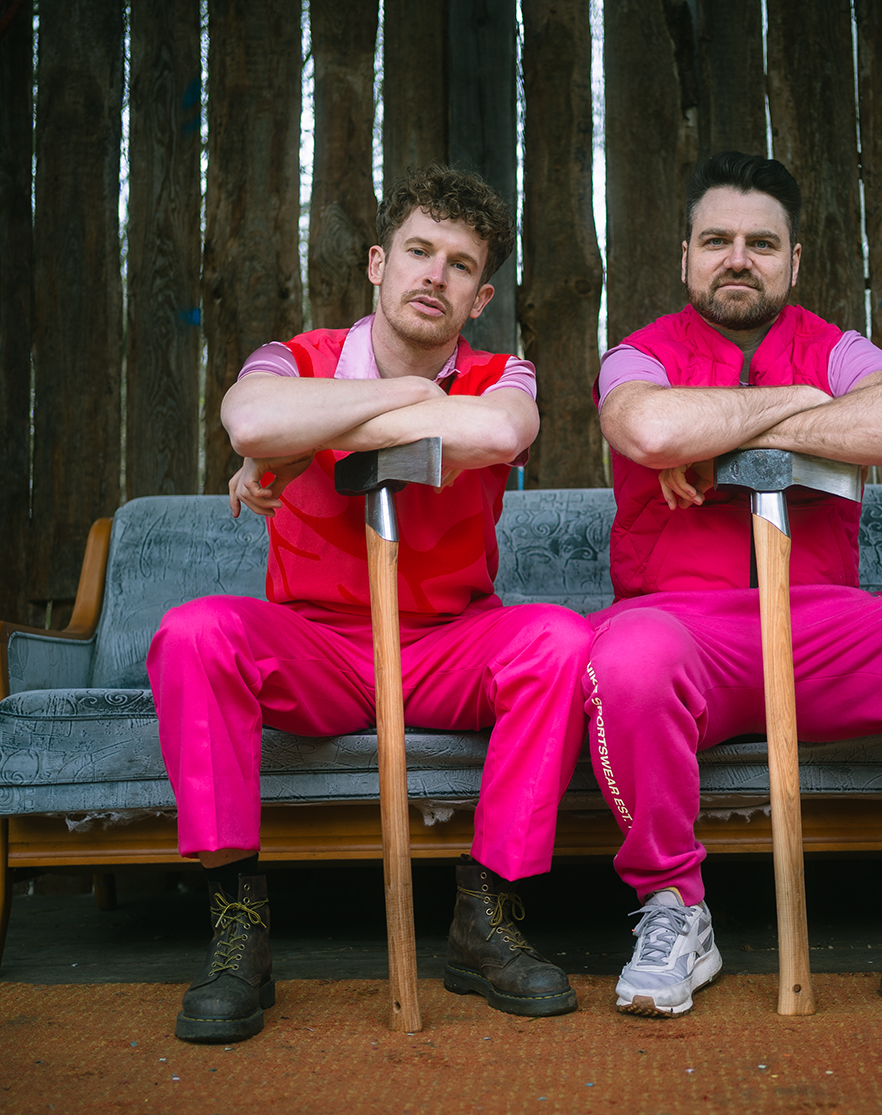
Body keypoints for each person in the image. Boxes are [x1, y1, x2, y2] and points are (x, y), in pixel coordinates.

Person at [586, 151, 882, 1027]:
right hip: (684, 630)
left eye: (762, 243)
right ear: (685, 255)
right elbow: (648, 424)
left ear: (794, 261)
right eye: (716, 240)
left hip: (823, 630)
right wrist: (810, 414)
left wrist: (741, 415)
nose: (738, 258)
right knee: (627, 655)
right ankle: (674, 909)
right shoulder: (638, 352)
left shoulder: (836, 348)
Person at [148, 165, 589, 1043]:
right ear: (379, 264)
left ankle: (484, 915)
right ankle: (240, 926)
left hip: (447, 645)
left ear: (479, 297)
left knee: (562, 640)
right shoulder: (293, 355)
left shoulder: (507, 372)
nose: (436, 274)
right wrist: (414, 397)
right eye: (420, 252)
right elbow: (252, 421)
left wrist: (313, 425)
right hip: (316, 646)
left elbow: (498, 433)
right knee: (193, 633)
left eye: (460, 265)